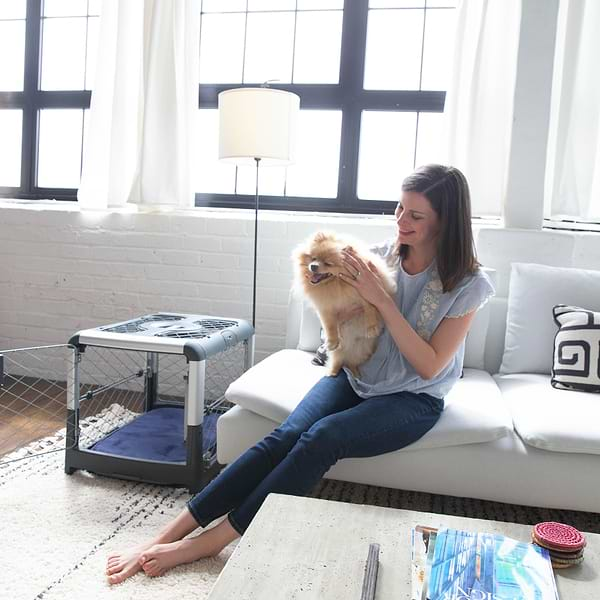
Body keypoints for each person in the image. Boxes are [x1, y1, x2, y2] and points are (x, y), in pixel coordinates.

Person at [105, 164, 495, 584]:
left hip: (412, 398)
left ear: (445, 221)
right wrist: (325, 273)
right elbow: (327, 295)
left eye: (416, 216)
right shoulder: (380, 258)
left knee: (321, 438)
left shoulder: (468, 284)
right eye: (399, 209)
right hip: (356, 376)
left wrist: (382, 301)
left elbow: (430, 364)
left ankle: (210, 541)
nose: (401, 221)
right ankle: (165, 534)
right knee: (282, 437)